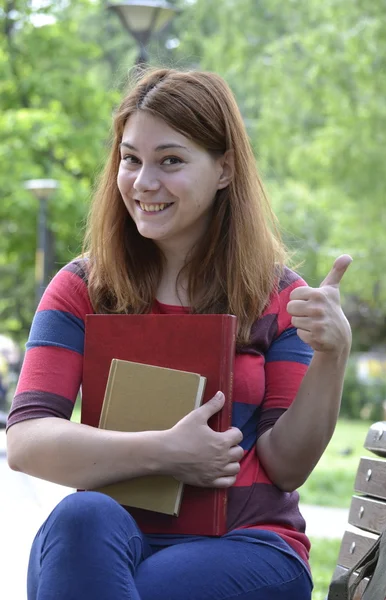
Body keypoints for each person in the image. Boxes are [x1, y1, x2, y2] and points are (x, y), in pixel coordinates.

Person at [6, 68, 352, 600]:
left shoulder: (279, 296)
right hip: (111, 541)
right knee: (81, 518)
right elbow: (27, 442)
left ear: (223, 169)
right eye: (130, 158)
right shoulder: (80, 289)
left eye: (170, 160)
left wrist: (333, 354)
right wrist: (165, 452)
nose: (144, 182)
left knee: (139, 587)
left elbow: (287, 466)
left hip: (250, 546)